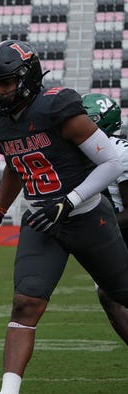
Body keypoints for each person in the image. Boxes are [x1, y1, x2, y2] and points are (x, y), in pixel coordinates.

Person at [0, 39, 128, 394]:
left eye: (7, 83)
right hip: (42, 220)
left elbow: (113, 160)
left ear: (27, 77)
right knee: (25, 303)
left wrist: (70, 201)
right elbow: (16, 164)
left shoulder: (57, 106)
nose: (1, 92)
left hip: (88, 217)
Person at [81, 92, 128, 344]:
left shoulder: (120, 152)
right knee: (108, 296)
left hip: (120, 230)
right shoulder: (87, 154)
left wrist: (94, 226)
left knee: (111, 295)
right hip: (118, 236)